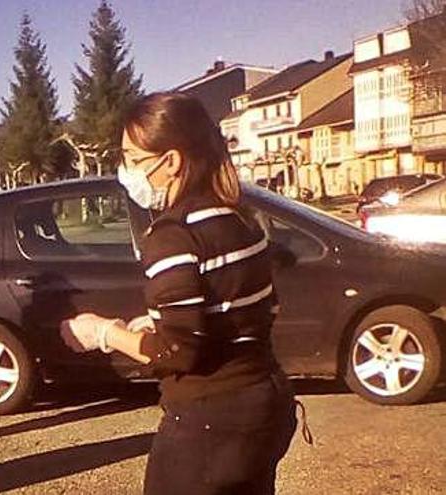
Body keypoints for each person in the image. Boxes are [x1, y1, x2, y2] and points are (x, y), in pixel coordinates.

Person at [61, 93, 298, 494]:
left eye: (131, 158)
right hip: (265, 403)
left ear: (169, 162)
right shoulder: (241, 219)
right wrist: (159, 321)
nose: (125, 170)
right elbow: (256, 309)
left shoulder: (173, 235)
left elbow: (177, 353)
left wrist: (102, 332)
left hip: (211, 422)